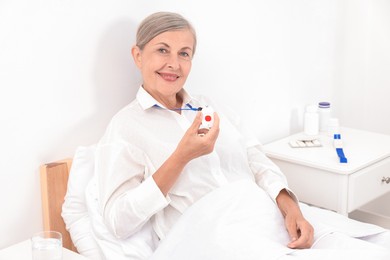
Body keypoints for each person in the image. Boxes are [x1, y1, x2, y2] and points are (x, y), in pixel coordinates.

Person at [92, 11, 390, 260]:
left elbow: (255, 160)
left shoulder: (210, 108)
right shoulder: (126, 127)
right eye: (162, 50)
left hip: (263, 214)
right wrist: (181, 157)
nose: (174, 63)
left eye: (184, 53)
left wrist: (290, 206)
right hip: (213, 234)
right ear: (138, 55)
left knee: (373, 246)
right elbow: (119, 221)